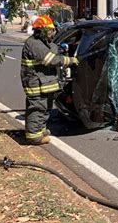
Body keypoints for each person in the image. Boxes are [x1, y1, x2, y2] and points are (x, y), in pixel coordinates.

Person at [20, 15, 79, 145]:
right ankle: (34, 137)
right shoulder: (34, 44)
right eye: (49, 30)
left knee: (45, 107)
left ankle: (40, 130)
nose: (52, 33)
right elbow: (50, 60)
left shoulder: (43, 43)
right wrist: (69, 60)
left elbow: (53, 50)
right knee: (37, 108)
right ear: (41, 30)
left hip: (43, 82)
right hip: (35, 83)